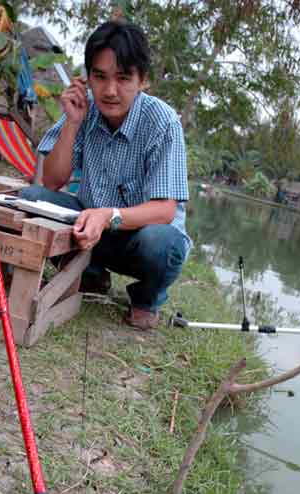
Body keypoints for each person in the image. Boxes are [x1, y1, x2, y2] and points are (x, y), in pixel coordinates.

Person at [20, 20, 191, 330]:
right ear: (88, 78)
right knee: (32, 198)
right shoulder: (84, 109)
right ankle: (92, 274)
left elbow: (165, 210)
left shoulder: (162, 122)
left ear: (143, 81)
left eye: (123, 78)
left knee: (163, 242)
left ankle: (146, 298)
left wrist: (107, 215)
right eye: (100, 77)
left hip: (138, 238)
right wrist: (72, 123)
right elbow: (52, 181)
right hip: (90, 230)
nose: (110, 91)